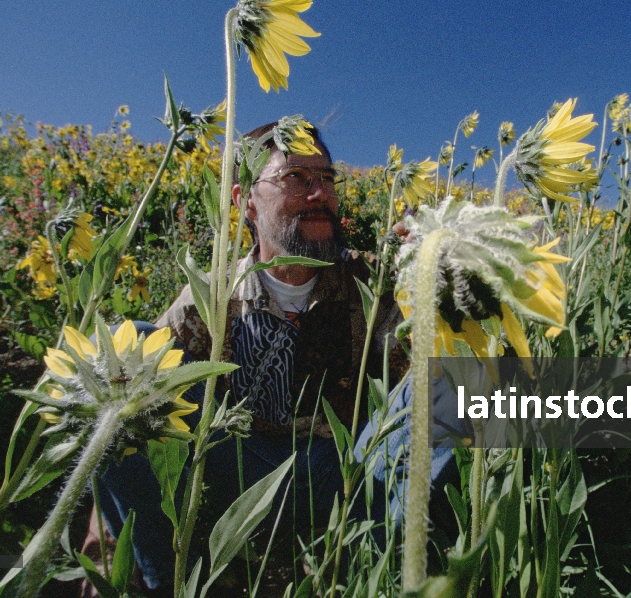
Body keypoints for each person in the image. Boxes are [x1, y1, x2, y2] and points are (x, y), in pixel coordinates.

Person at [91, 121, 458, 596]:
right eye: (295, 179)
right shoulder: (212, 296)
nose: (318, 193)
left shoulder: (374, 279)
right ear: (246, 199)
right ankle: (167, 579)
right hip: (235, 474)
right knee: (124, 353)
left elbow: (419, 380)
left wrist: (435, 275)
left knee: (476, 386)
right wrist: (103, 512)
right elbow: (129, 408)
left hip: (348, 473)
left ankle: (372, 569)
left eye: (326, 178)